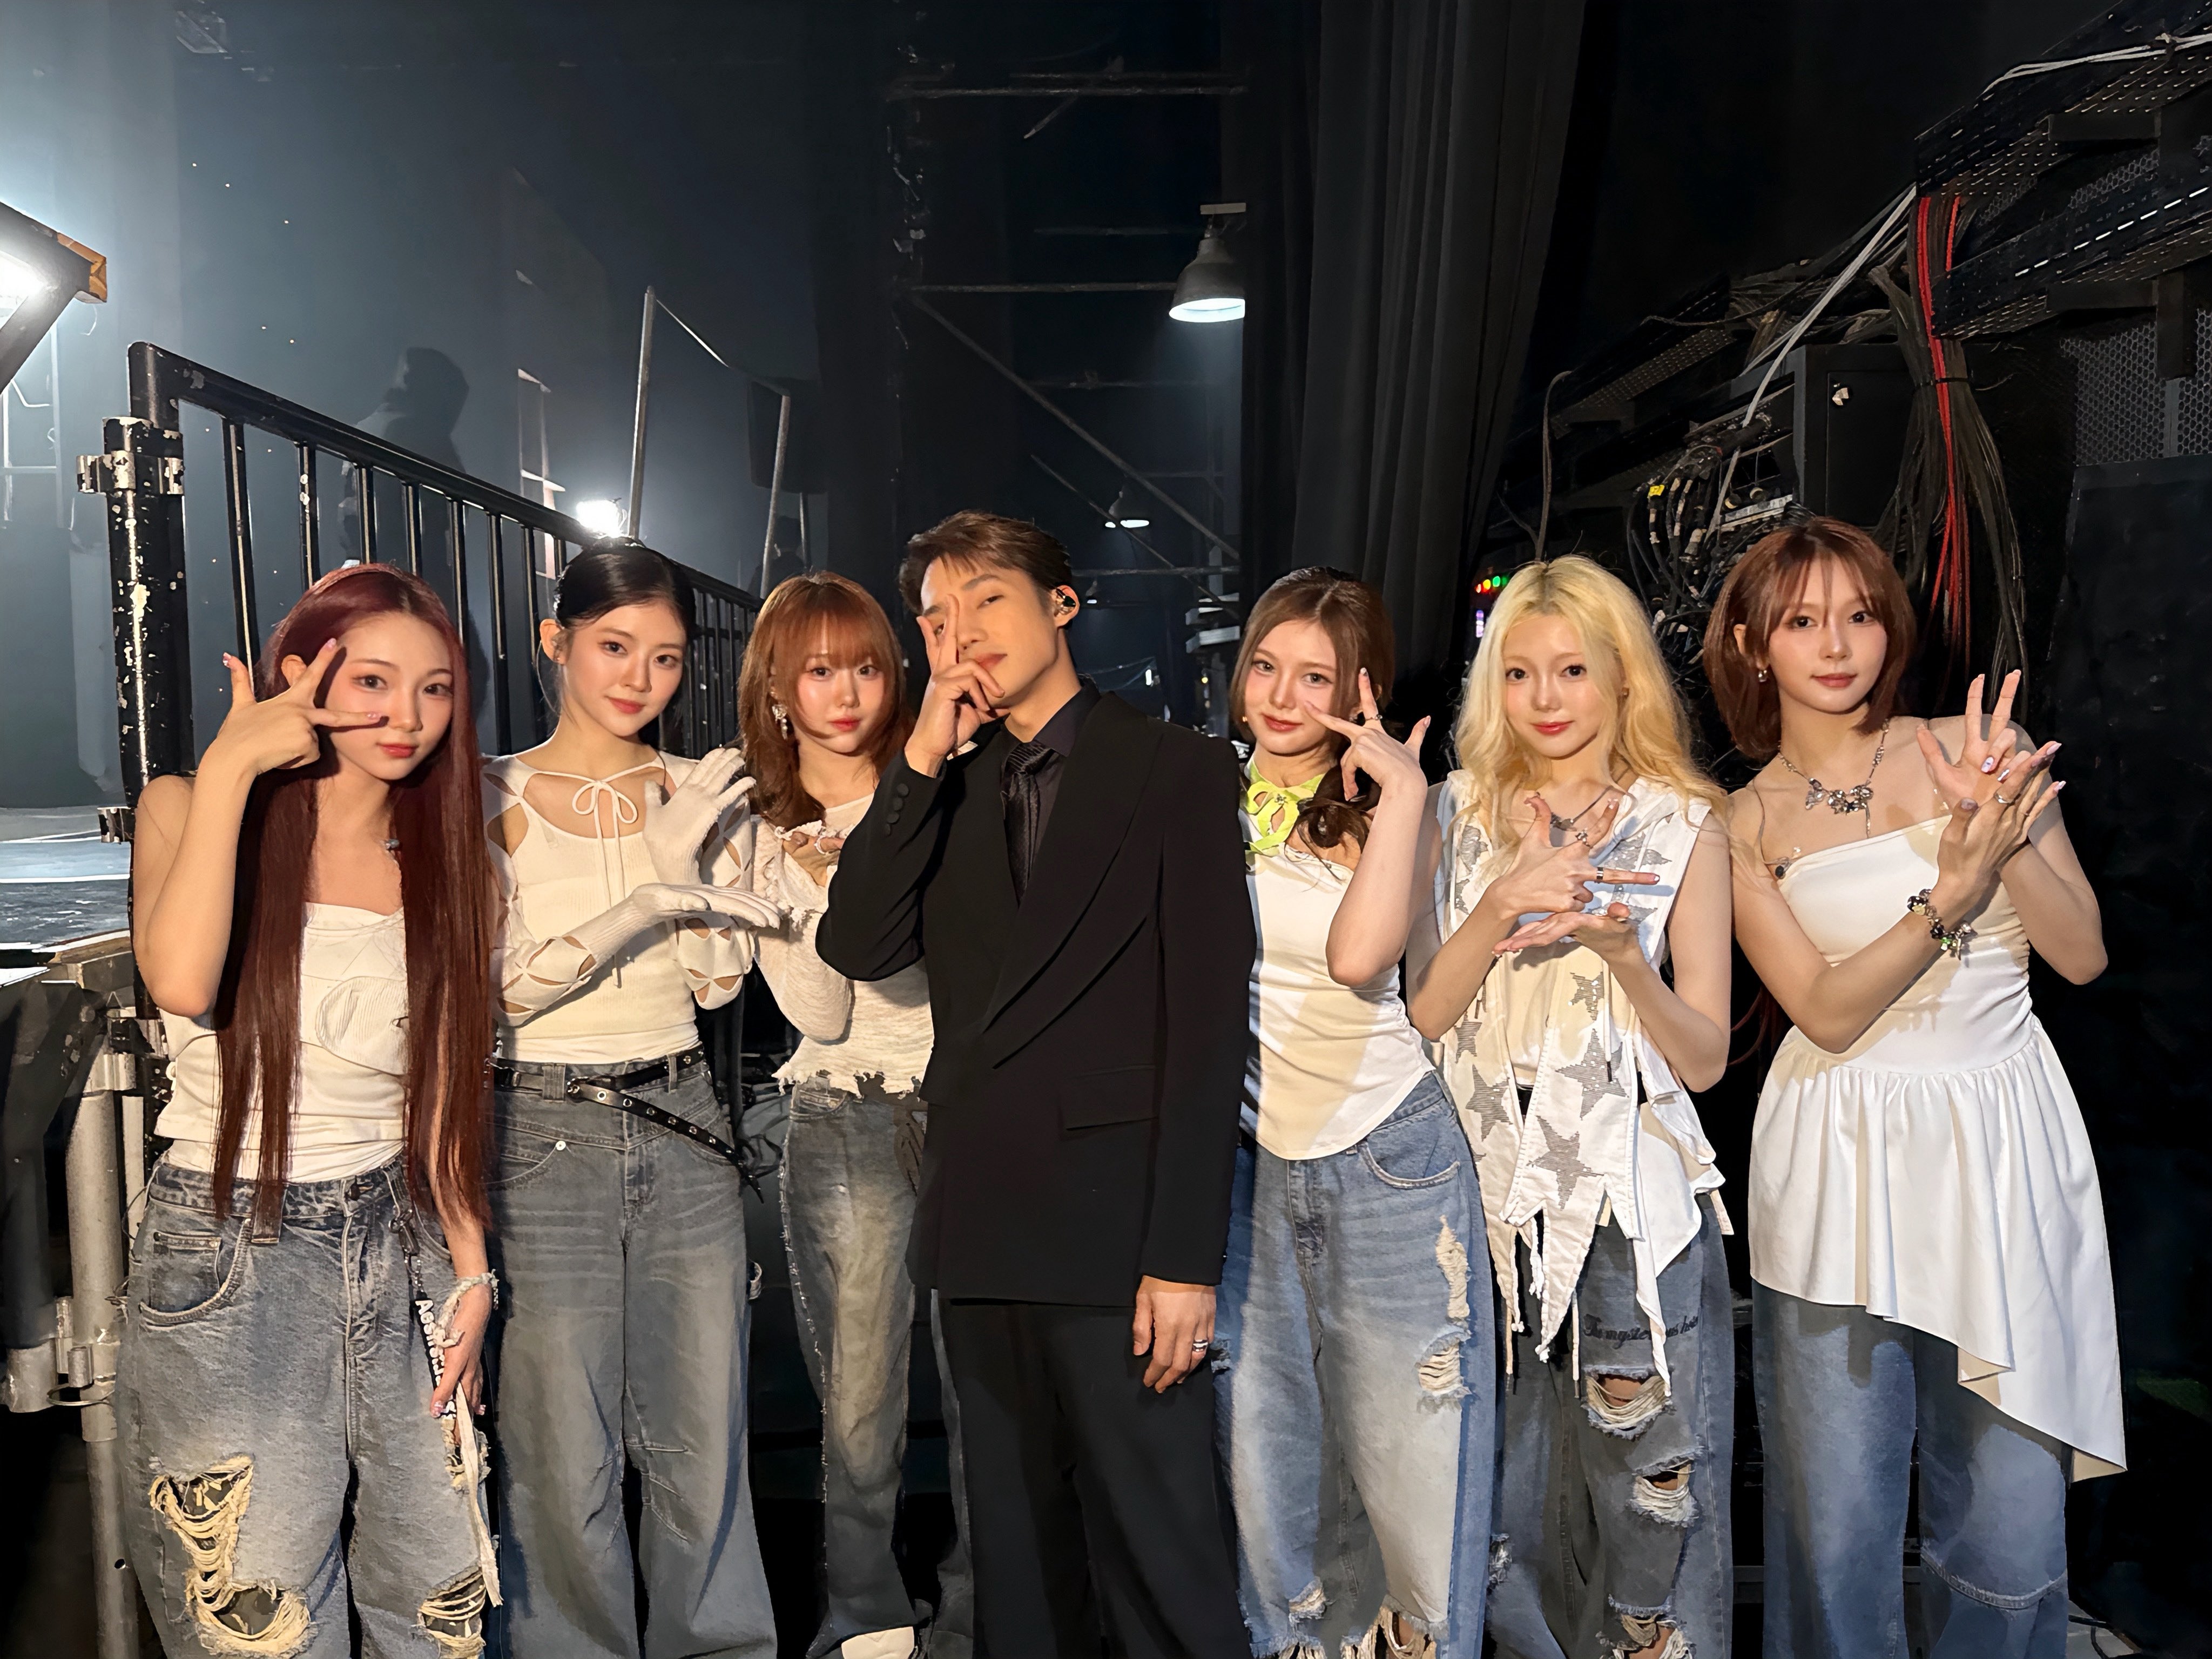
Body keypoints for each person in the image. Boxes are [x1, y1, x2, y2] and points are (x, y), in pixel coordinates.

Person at [817, 511, 1252, 1658]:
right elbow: (857, 942)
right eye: (935, 619)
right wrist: (919, 757)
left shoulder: (1176, 768)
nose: (961, 633)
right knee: (1017, 1564)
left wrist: (1184, 1260)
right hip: (983, 1219)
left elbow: (1207, 1029)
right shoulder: (941, 784)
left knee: (1162, 1557)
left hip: (1121, 1233)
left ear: (1061, 604)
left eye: (987, 601)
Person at [1704, 518, 2121, 1659]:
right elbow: (1826, 1011)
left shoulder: (1974, 747)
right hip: (1833, 1156)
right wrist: (1947, 895)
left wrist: (1999, 832)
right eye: (1801, 622)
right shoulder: (1739, 822)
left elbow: (2081, 955)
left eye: (1859, 615)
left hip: (1999, 1140)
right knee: (1833, 1523)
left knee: (2009, 1520)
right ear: (1750, 646)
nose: (1836, 645)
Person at [120, 565, 501, 1657]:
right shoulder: (190, 806)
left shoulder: (454, 862)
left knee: (440, 1609)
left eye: (435, 688)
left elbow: (441, 1093)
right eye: (373, 680)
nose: (406, 715)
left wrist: (472, 1272)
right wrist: (234, 764)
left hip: (405, 1240)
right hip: (235, 1236)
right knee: (260, 1620)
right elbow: (182, 981)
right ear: (304, 673)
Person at [1406, 555, 1735, 1659]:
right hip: (1480, 1202)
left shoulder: (1684, 820)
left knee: (1651, 1507)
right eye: (1518, 673)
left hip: (1626, 1201)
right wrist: (1501, 901)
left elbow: (1704, 1058)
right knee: (1497, 1520)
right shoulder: (1454, 811)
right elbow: (1426, 1010)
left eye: (1572, 670)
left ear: (1621, 676)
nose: (1544, 698)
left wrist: (1622, 955)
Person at [481, 542, 784, 1658]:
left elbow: (719, 982)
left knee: (704, 1435)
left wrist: (684, 862)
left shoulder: (698, 790)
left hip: (681, 1114)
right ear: (554, 640)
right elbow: (495, 988)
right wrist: (647, 893)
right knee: (560, 1450)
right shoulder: (490, 790)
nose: (639, 678)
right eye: (614, 646)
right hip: (536, 1125)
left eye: (664, 657)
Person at [1213, 569, 1493, 1659]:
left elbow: (1358, 957)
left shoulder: (1398, 808)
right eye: (1266, 668)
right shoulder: (1199, 794)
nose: (1283, 697)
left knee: (1417, 1476)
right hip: (1249, 1164)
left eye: (1315, 678)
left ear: (1360, 690)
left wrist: (1405, 794)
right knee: (1268, 1479)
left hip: (1389, 1160)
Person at [732, 572, 971, 1659]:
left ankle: (977, 1610)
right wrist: (819, 885)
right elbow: (823, 1011)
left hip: (968, 1104)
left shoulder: (940, 784)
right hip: (847, 1111)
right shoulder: (757, 828)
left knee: (984, 1389)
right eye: (818, 671)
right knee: (861, 1405)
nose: (845, 693)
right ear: (778, 689)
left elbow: (960, 964)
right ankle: (866, 1617)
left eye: (866, 667)